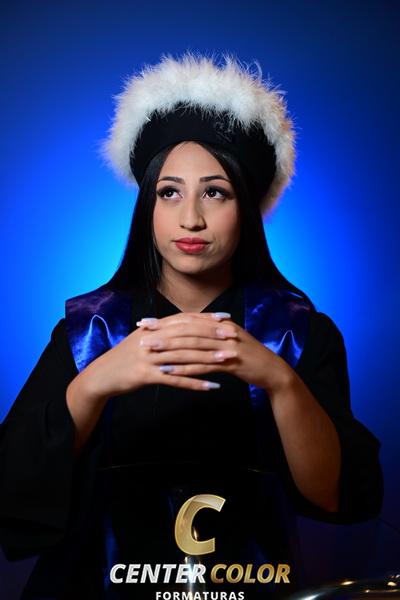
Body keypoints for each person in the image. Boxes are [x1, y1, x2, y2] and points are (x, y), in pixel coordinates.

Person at [0, 51, 383, 599]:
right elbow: (13, 486)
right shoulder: (89, 331)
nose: (191, 219)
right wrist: (95, 382)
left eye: (216, 192)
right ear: (148, 207)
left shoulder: (299, 334)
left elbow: (336, 496)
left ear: (245, 208)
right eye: (170, 192)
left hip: (246, 584)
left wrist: (279, 381)